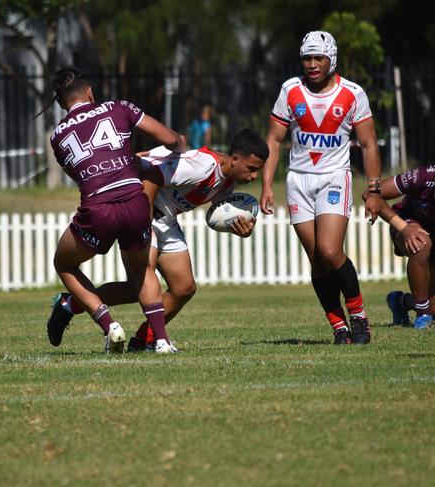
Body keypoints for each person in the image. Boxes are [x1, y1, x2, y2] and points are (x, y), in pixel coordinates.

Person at [47, 129, 269, 351]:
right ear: (235, 159)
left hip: (167, 219)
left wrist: (240, 228)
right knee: (141, 283)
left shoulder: (227, 182)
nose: (253, 177)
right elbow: (151, 177)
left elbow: (218, 213)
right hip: (145, 207)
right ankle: (154, 339)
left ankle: (138, 336)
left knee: (184, 287)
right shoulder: (201, 167)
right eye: (251, 169)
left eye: (257, 171)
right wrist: (145, 218)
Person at [46, 67, 185, 354]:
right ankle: (161, 341)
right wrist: (179, 142)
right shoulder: (118, 108)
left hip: (98, 207)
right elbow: (169, 139)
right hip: (135, 201)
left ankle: (110, 326)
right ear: (90, 92)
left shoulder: (57, 135)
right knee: (141, 268)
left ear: (61, 104)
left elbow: (85, 174)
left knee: (64, 264)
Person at [259, 31, 383, 345]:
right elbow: (274, 141)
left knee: (330, 251)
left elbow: (368, 144)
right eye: (306, 58)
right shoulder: (290, 89)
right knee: (317, 260)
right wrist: (266, 187)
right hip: (297, 180)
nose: (312, 65)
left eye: (318, 58)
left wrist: (374, 189)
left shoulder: (352, 93)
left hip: (333, 178)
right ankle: (339, 327)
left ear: (332, 59)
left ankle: (359, 317)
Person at [362, 167, 433, 329]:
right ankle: (423, 314)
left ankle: (400, 302)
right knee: (421, 243)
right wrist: (404, 228)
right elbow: (370, 194)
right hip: (408, 222)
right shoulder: (425, 176)